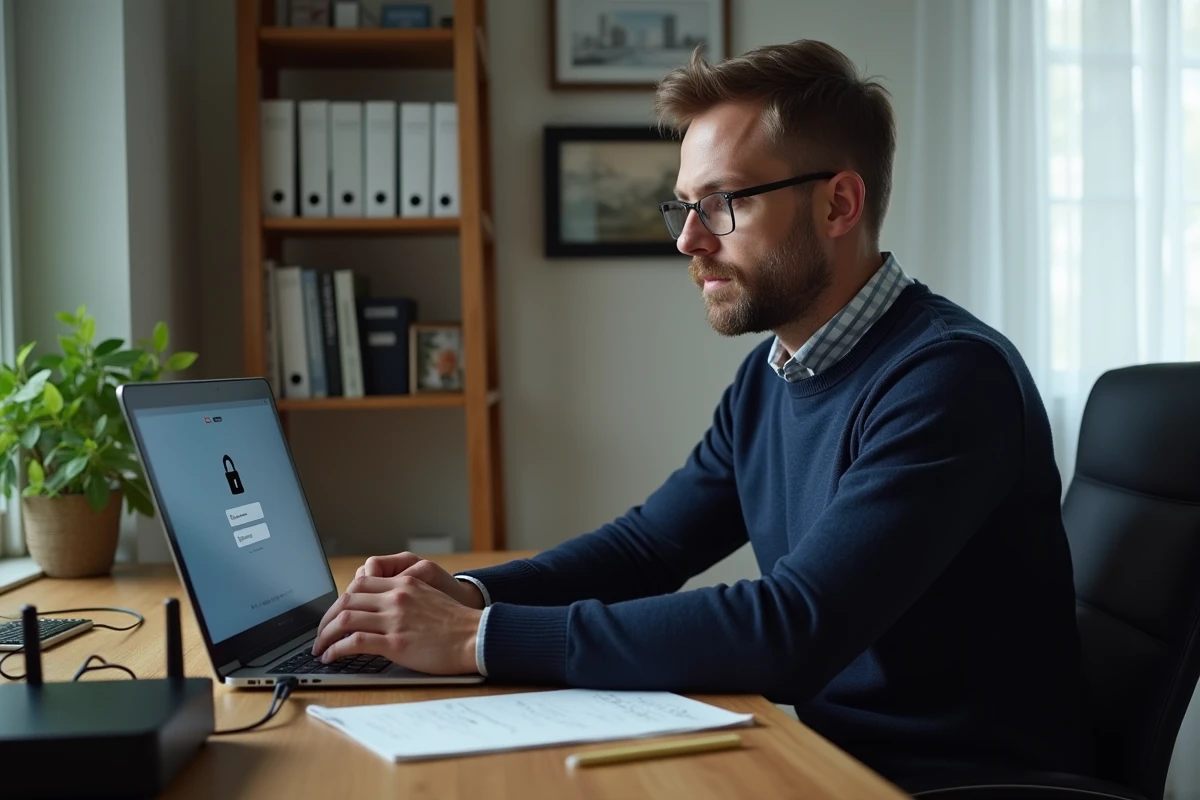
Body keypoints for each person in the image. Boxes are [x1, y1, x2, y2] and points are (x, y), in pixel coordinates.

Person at [311, 39, 1092, 783]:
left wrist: (480, 641)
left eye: (722, 204)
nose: (688, 240)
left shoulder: (949, 378)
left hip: (946, 782)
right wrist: (469, 595)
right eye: (682, 206)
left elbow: (794, 628)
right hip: (824, 755)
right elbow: (649, 547)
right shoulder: (773, 374)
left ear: (838, 204)